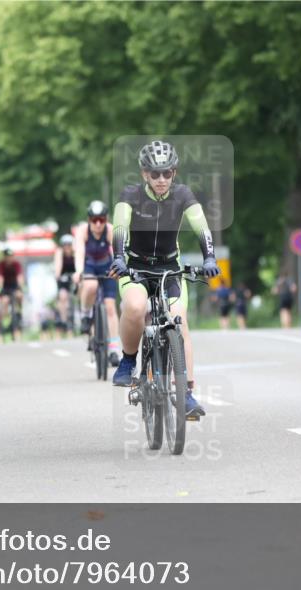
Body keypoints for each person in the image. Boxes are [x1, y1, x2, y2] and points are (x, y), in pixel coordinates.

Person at [108, 140, 219, 419]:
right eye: (154, 174)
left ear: (174, 173)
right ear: (144, 173)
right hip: (135, 266)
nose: (160, 179)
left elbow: (202, 227)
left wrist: (209, 258)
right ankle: (128, 359)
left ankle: (187, 393)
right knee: (134, 307)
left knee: (179, 323)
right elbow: (120, 227)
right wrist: (119, 258)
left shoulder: (183, 195)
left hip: (170, 266)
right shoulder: (130, 195)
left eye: (166, 173)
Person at [75, 200, 121, 365]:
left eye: (101, 219)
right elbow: (79, 252)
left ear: (105, 218)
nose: (98, 224)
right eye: (94, 220)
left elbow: (116, 252)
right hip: (89, 266)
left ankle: (114, 349)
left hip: (106, 265)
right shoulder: (82, 231)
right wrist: (78, 271)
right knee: (90, 285)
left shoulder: (109, 230)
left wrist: (118, 268)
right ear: (89, 220)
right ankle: (86, 314)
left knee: (110, 306)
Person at [0, 248, 24, 341]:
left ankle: (19, 310)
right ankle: (6, 319)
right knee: (5, 301)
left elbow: (19, 277)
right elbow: (0, 278)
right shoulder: (1, 265)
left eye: (10, 256)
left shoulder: (16, 264)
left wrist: (20, 287)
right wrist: (0, 289)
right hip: (5, 287)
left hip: (14, 285)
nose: (9, 258)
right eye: (7, 257)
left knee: (19, 295)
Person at [53, 233, 76, 338]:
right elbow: (57, 267)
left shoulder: (75, 253)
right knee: (63, 297)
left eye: (69, 245)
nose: (67, 247)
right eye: (65, 245)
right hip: (63, 280)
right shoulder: (59, 253)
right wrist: (57, 275)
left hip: (75, 279)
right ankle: (63, 320)